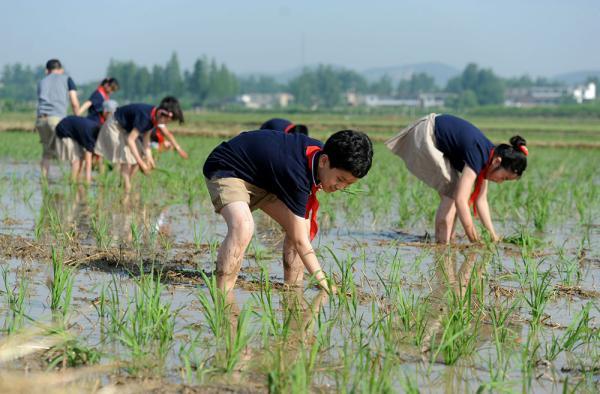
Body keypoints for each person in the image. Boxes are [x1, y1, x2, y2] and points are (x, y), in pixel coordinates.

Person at [203, 129, 373, 294]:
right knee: (243, 227)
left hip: (265, 180)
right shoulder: (297, 173)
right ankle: (223, 297)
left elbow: (299, 234)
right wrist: (324, 283)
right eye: (340, 179)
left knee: (300, 230)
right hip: (228, 168)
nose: (341, 187)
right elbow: (301, 242)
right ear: (324, 161)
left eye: (348, 184)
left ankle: (292, 291)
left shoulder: (321, 161)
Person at [386, 114, 528, 244]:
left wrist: (493, 236)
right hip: (426, 134)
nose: (500, 182)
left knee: (453, 191)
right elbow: (461, 200)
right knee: (452, 194)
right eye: (504, 177)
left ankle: (447, 239)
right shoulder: (479, 154)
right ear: (497, 161)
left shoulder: (488, 157)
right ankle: (442, 244)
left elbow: (481, 200)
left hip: (433, 133)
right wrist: (474, 239)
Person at [94, 96, 187, 191]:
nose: (166, 124)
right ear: (161, 113)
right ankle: (126, 187)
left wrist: (149, 158)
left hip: (125, 130)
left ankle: (125, 184)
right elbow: (131, 140)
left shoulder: (154, 116)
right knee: (126, 157)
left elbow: (146, 139)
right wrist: (141, 163)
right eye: (167, 121)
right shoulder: (145, 117)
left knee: (140, 154)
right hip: (114, 126)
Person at [35, 59, 80, 178]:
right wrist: (78, 120)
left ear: (46, 71)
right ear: (61, 70)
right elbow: (74, 102)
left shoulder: (41, 82)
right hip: (57, 119)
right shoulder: (67, 79)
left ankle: (44, 182)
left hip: (41, 120)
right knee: (74, 154)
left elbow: (39, 102)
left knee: (46, 153)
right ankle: (74, 183)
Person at [55, 100, 118, 184]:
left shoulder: (97, 131)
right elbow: (89, 163)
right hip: (63, 129)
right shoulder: (91, 136)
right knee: (76, 159)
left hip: (73, 130)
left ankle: (77, 180)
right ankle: (72, 183)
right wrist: (88, 183)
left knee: (81, 157)